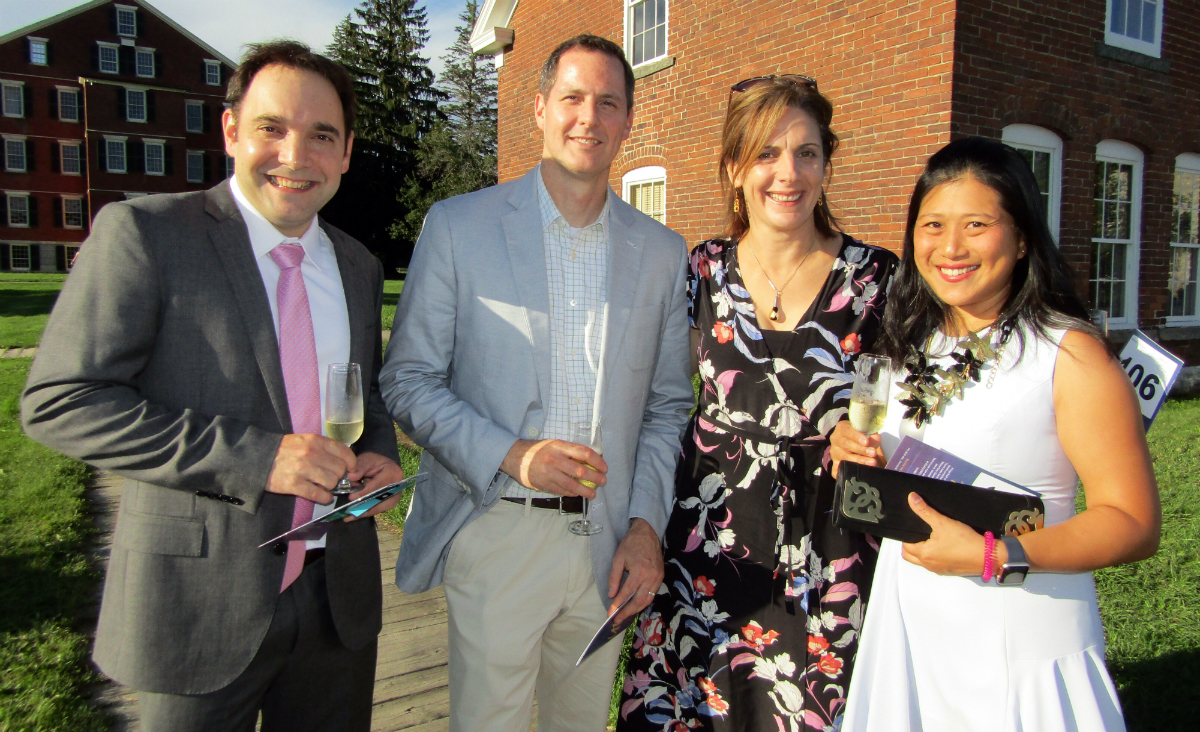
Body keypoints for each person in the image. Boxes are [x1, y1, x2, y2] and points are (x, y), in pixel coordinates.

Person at [21, 41, 404, 732]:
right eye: (272, 128)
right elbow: (62, 401)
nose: (296, 154)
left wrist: (378, 451)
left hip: (336, 605)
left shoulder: (358, 265)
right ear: (231, 132)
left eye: (322, 135)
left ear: (346, 152)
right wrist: (261, 458)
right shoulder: (146, 235)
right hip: (196, 605)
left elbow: (362, 397)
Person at [380, 34, 693, 732]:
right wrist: (513, 454)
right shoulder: (461, 227)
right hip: (497, 530)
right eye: (573, 98)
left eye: (608, 102)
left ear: (628, 121)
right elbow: (408, 380)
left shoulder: (663, 254)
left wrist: (644, 526)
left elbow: (669, 407)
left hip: (607, 545)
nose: (590, 117)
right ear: (540, 109)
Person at [832, 137, 1160, 731]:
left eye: (976, 224)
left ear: (1022, 237)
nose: (950, 247)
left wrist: (994, 555)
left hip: (1018, 640)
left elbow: (1133, 522)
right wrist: (851, 451)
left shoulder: (1070, 354)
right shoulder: (912, 346)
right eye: (932, 225)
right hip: (912, 631)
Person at [617, 76, 899, 731]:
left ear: (827, 164)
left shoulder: (875, 279)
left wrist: (865, 443)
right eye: (766, 154)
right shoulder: (703, 270)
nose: (788, 173)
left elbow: (918, 405)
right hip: (709, 542)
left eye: (806, 153)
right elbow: (651, 396)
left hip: (830, 546)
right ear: (733, 168)